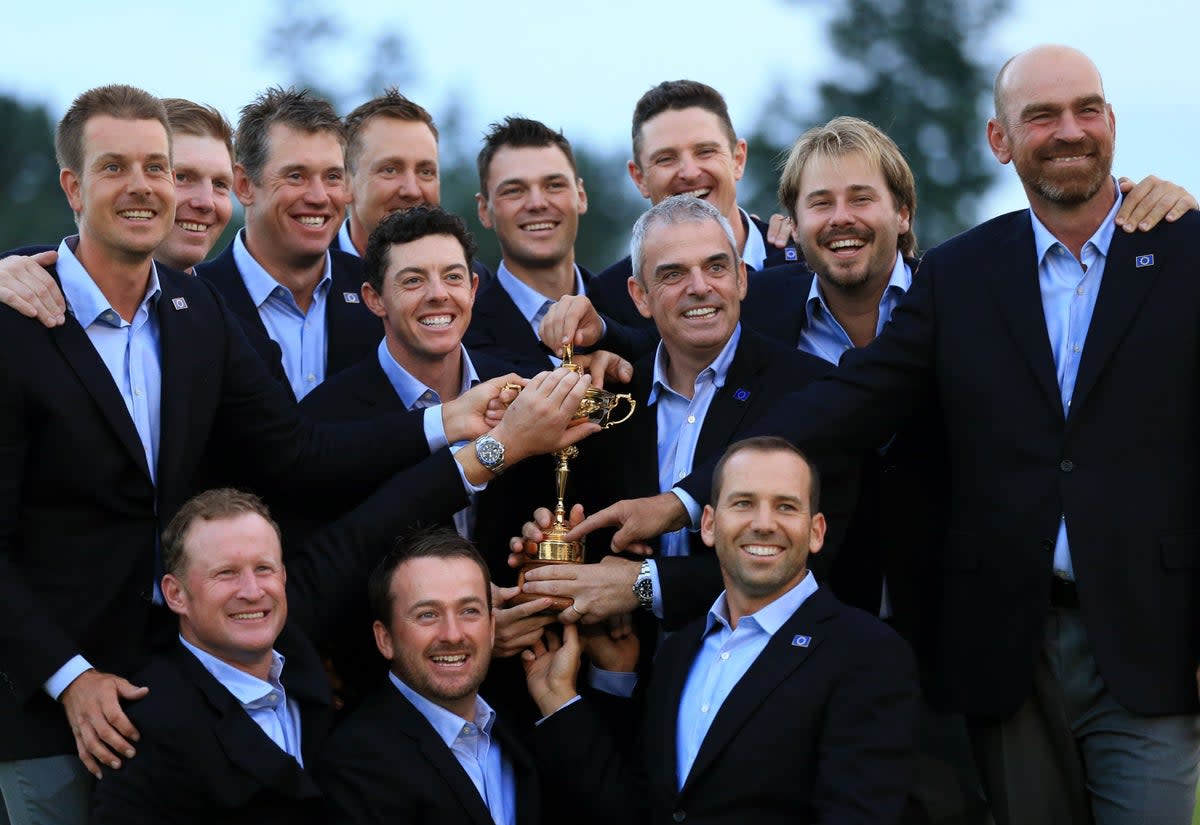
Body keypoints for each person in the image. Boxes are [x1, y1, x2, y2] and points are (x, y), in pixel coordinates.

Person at [572, 45, 1200, 824]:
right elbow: (773, 370)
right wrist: (594, 341)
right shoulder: (958, 276)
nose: (1067, 130)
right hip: (990, 641)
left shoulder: (1175, 246)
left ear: (904, 214)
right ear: (1000, 140)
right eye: (1040, 115)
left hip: (1135, 632)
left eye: (1085, 110)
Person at [0, 84, 530, 825]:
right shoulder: (18, 320)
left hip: (189, 688)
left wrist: (448, 422)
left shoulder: (192, 313)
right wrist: (67, 677)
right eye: (116, 167)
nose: (148, 186)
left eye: (158, 165)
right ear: (71, 184)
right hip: (48, 705)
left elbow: (295, 449)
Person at [524, 436, 920, 824]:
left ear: (816, 531)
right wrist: (560, 702)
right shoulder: (679, 652)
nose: (763, 524)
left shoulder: (867, 654)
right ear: (710, 524)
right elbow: (640, 808)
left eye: (785, 506)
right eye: (743, 503)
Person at [514, 195, 829, 637]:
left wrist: (647, 585)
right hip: (627, 680)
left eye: (716, 267)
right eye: (673, 274)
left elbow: (815, 564)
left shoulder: (808, 388)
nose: (699, 286)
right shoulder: (608, 397)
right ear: (640, 296)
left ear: (741, 278)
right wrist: (553, 547)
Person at [316, 527, 548, 824]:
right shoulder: (353, 764)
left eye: (469, 611)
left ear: (491, 629)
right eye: (428, 614)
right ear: (385, 638)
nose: (452, 635)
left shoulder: (516, 732)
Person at [586, 79, 801, 344]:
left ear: (738, 159)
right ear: (639, 177)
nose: (689, 173)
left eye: (705, 151)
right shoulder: (612, 295)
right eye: (666, 159)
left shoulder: (804, 258)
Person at [195, 86, 376, 399]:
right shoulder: (196, 301)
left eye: (332, 177)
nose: (319, 197)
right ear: (244, 184)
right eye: (296, 176)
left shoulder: (377, 294)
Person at [464, 117, 592, 375]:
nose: (537, 203)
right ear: (483, 210)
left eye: (554, 185)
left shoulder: (634, 311)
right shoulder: (459, 336)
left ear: (580, 196)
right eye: (514, 190)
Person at [336, 89, 493, 285]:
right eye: (390, 170)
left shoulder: (475, 283)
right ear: (345, 182)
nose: (412, 190)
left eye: (425, 172)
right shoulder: (310, 276)